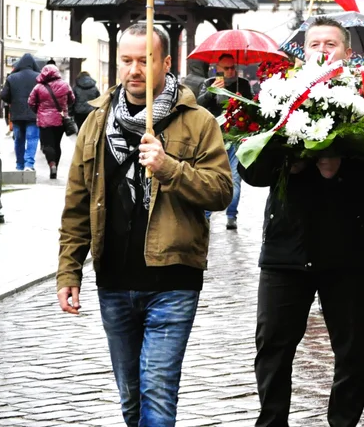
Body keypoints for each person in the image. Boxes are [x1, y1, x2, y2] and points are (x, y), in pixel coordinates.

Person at [56, 23, 232, 427]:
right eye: (127, 60)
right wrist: (69, 269)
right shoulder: (98, 122)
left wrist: (170, 167)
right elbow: (77, 204)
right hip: (114, 279)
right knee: (131, 397)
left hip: (172, 279)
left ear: (165, 63)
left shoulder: (198, 121)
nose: (134, 70)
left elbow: (222, 191)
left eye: (145, 60)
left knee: (158, 390)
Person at [238, 15, 364, 427]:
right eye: (315, 44)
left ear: (347, 53)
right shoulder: (278, 97)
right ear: (304, 51)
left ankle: (343, 422)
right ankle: (272, 420)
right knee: (273, 346)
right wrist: (288, 163)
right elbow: (251, 171)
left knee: (350, 351)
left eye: (332, 43)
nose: (323, 50)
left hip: (345, 252)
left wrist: (340, 168)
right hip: (285, 250)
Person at [197, 53, 252, 230]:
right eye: (226, 68)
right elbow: (198, 107)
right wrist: (212, 91)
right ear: (217, 69)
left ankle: (231, 216)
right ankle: (205, 215)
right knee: (208, 176)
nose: (230, 71)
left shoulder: (241, 84)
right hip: (212, 136)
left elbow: (250, 107)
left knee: (235, 178)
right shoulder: (208, 84)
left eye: (232, 67)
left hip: (234, 136)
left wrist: (238, 99)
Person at [28, 64, 76, 180]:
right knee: (56, 144)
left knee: (47, 145)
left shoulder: (38, 87)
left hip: (45, 121)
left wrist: (38, 111)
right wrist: (63, 107)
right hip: (60, 119)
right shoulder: (65, 85)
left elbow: (31, 102)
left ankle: (52, 164)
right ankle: (55, 168)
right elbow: (72, 99)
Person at [1, 54, 42, 172]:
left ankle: (19, 164)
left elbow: (4, 95)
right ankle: (29, 164)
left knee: (19, 139)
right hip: (33, 114)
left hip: (17, 114)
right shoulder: (38, 77)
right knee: (32, 138)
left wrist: (12, 101)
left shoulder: (12, 78)